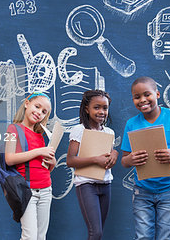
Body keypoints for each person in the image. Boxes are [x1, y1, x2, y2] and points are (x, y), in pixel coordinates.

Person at [121, 76, 170, 240]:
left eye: (147, 94)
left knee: (166, 237)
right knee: (142, 237)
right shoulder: (131, 124)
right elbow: (124, 160)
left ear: (157, 94)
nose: (142, 100)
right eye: (137, 97)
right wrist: (131, 159)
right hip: (142, 191)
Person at [66, 90, 119, 240]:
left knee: (98, 231)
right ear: (86, 109)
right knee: (95, 232)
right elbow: (70, 160)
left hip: (105, 184)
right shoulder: (79, 130)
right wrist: (95, 160)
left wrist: (114, 154)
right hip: (86, 185)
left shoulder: (109, 132)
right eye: (97, 107)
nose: (102, 111)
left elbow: (109, 155)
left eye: (105, 108)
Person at [5, 92, 57, 240]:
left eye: (44, 112)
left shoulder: (40, 136)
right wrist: (39, 151)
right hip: (27, 191)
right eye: (37, 106)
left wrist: (51, 160)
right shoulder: (14, 129)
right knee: (30, 237)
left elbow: (47, 169)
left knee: (41, 236)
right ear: (27, 103)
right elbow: (9, 159)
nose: (39, 112)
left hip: (46, 189)